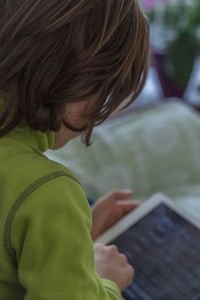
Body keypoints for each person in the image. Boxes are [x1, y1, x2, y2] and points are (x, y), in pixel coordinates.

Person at [0, 0, 149, 299]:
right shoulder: (48, 191)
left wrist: (76, 237)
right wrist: (105, 282)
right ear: (82, 80)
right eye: (105, 94)